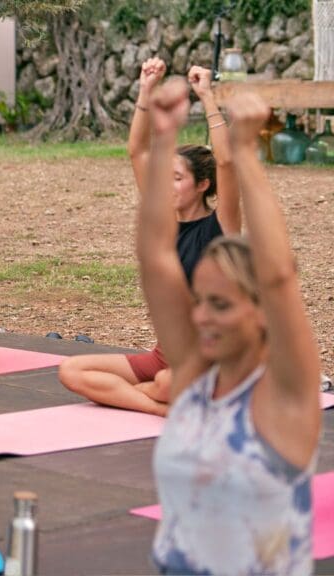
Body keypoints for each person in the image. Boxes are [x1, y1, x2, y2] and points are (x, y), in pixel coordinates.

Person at [142, 81, 319, 574]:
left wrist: (244, 149)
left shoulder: (285, 396)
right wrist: (160, 142)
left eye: (220, 304)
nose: (200, 316)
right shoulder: (198, 375)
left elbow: (280, 275)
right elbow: (155, 258)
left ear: (260, 310)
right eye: (200, 301)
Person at [57, 61, 242, 415]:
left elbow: (228, 163)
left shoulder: (222, 227)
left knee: (163, 384)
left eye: (176, 178)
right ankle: (161, 409)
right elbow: (137, 151)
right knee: (72, 370)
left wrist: (206, 96)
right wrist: (145, 90)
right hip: (165, 357)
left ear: (202, 184)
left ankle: (160, 396)